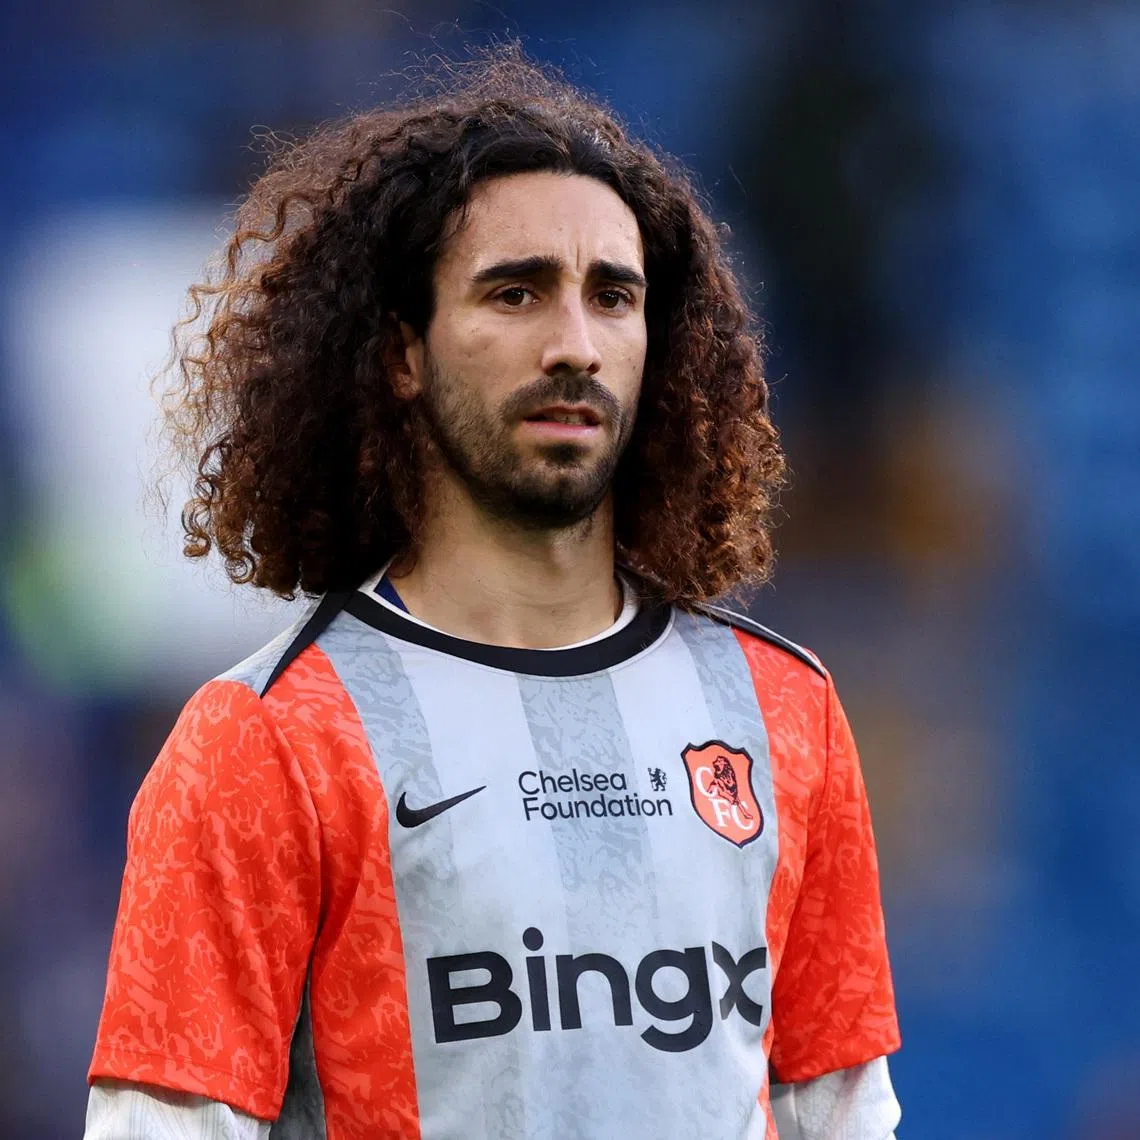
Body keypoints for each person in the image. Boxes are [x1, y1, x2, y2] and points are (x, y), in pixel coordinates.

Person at [85, 48, 902, 1140]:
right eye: (516, 293)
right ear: (401, 354)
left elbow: (843, 1117)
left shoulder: (785, 713)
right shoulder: (267, 741)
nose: (575, 345)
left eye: (613, 297)